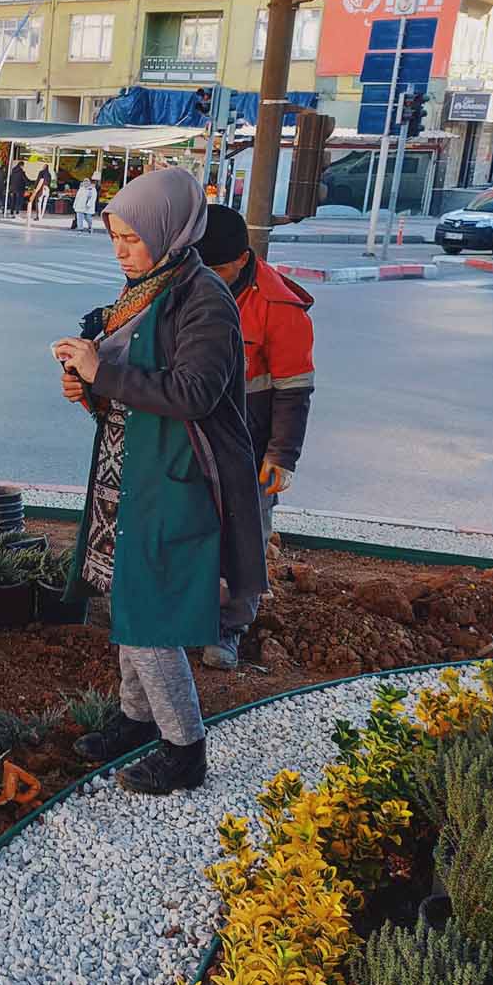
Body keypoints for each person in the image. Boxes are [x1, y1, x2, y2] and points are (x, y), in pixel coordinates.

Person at [52, 168, 265, 795]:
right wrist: (87, 386)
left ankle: (184, 747)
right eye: (114, 236)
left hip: (178, 477)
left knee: (150, 616)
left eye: (132, 238)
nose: (120, 249)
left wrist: (103, 373)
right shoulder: (145, 287)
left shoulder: (204, 299)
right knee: (128, 598)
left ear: (170, 231)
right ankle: (136, 718)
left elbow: (197, 393)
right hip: (134, 468)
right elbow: (127, 375)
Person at [194, 204, 315, 669]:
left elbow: (294, 390)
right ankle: (190, 618)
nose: (208, 276)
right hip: (195, 442)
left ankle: (230, 628)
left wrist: (282, 456)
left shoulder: (279, 308)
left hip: (251, 446)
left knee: (244, 537)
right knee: (195, 533)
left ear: (243, 260)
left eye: (218, 269)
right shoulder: (187, 285)